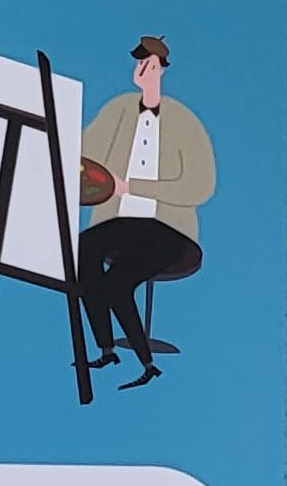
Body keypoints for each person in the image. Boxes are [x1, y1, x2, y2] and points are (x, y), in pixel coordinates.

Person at [75, 36, 216, 386]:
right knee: (81, 251)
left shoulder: (183, 121)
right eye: (139, 62)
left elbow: (201, 185)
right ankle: (106, 348)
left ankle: (146, 363)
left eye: (148, 63)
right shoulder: (119, 111)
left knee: (118, 284)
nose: (141, 69)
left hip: (167, 229)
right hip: (120, 222)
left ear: (160, 69)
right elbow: (84, 151)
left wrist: (134, 187)